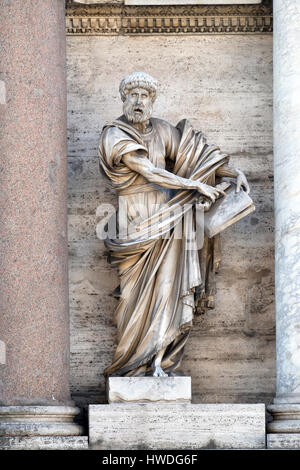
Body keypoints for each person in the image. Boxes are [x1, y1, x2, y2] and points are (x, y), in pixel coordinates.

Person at [99, 72, 250, 377]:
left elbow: (197, 157)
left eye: (145, 96)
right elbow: (150, 172)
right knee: (132, 297)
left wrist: (231, 174)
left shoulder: (161, 131)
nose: (139, 102)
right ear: (123, 99)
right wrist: (196, 187)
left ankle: (158, 361)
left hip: (170, 219)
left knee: (169, 289)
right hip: (135, 221)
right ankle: (131, 364)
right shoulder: (114, 135)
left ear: (152, 101)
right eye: (133, 95)